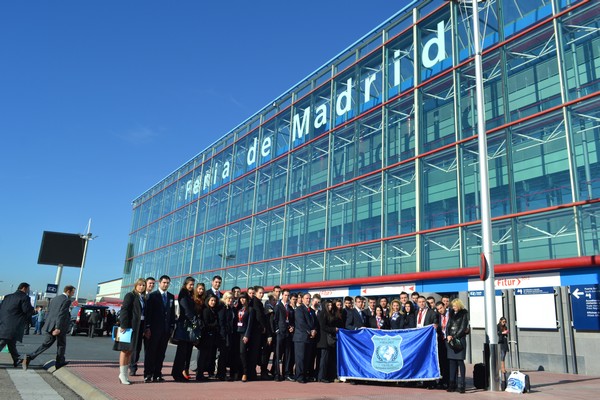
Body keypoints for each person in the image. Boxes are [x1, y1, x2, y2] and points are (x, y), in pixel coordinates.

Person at [24, 285, 75, 370]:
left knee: (46, 344)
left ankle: (30, 356)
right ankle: (59, 362)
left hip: (50, 325)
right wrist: (58, 327)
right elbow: (61, 314)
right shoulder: (66, 300)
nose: (73, 294)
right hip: (59, 326)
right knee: (61, 344)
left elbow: (49, 311)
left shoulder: (55, 299)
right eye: (73, 292)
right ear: (68, 291)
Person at [114, 278, 146, 385]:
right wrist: (123, 324)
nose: (141, 287)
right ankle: (122, 374)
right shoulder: (130, 295)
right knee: (125, 350)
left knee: (130, 350)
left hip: (138, 327)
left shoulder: (142, 298)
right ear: (136, 285)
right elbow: (125, 310)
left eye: (143, 285)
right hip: (128, 327)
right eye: (140, 285)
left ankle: (124, 374)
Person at [143, 275, 175, 383]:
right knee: (151, 353)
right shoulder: (152, 296)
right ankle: (148, 374)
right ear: (160, 283)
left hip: (165, 330)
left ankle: (157, 374)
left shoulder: (171, 296)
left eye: (168, 283)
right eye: (164, 282)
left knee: (161, 353)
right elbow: (148, 313)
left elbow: (172, 313)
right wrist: (147, 327)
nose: (166, 284)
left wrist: (171, 327)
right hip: (154, 330)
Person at [0, 282, 34, 367]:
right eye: (28, 289)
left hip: (3, 322)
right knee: (3, 341)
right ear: (24, 288)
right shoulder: (24, 297)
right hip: (14, 324)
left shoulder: (7, 296)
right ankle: (16, 359)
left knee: (11, 342)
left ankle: (16, 359)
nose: (28, 291)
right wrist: (32, 309)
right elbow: (26, 310)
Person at [129, 276, 155, 376]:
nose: (151, 285)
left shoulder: (153, 296)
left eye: (153, 284)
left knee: (148, 349)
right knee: (136, 348)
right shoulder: (137, 296)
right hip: (137, 325)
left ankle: (148, 370)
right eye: (149, 283)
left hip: (147, 326)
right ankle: (133, 367)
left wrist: (148, 326)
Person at [171, 276, 196, 382]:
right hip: (184, 326)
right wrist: (195, 320)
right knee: (181, 352)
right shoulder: (183, 294)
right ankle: (176, 374)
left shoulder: (190, 294)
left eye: (193, 284)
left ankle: (180, 373)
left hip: (188, 326)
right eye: (190, 284)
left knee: (185, 352)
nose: (192, 286)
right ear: (185, 284)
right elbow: (186, 310)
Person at [293, 292, 318, 384]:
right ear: (302, 299)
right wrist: (310, 331)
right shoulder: (299, 309)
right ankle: (299, 376)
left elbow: (315, 322)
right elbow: (301, 323)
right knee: (300, 358)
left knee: (307, 358)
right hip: (301, 337)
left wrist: (314, 330)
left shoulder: (311, 310)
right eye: (306, 298)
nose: (308, 300)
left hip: (309, 338)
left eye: (309, 298)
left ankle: (304, 375)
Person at [446, 299, 469, 393]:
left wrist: (454, 336)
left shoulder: (464, 314)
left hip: (459, 340)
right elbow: (448, 325)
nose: (453, 307)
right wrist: (448, 335)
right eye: (453, 306)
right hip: (451, 340)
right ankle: (452, 384)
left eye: (455, 305)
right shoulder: (451, 313)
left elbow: (463, 327)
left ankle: (462, 384)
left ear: (459, 305)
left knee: (460, 362)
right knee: (452, 362)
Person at [317, 299, 343, 383]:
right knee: (324, 359)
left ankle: (328, 376)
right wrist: (333, 329)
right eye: (328, 305)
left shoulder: (331, 314)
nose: (330, 307)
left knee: (328, 359)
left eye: (331, 305)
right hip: (324, 340)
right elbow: (323, 326)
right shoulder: (322, 314)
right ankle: (321, 377)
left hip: (329, 339)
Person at [274, 288, 295, 382]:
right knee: (278, 355)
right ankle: (277, 374)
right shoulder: (278, 306)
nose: (287, 297)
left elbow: (292, 320)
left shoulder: (290, 307)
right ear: (282, 295)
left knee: (287, 354)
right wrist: (277, 330)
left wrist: (292, 327)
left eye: (288, 295)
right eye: (285, 295)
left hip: (288, 334)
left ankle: (286, 374)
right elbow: (275, 320)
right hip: (280, 333)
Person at [197, 295, 219, 381]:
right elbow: (206, 324)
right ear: (208, 301)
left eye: (214, 301)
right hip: (205, 336)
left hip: (211, 336)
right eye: (211, 300)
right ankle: (199, 375)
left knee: (208, 356)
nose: (213, 302)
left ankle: (202, 374)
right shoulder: (206, 310)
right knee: (202, 356)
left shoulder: (213, 310)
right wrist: (215, 324)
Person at [217, 291, 236, 381]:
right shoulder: (222, 308)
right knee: (223, 355)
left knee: (226, 354)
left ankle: (222, 373)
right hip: (224, 335)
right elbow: (221, 322)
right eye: (229, 298)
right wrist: (223, 334)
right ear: (225, 299)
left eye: (232, 298)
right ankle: (221, 374)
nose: (230, 300)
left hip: (230, 334)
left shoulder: (230, 308)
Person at [236, 293, 254, 382]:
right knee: (237, 353)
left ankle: (245, 372)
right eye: (241, 298)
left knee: (242, 352)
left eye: (244, 298)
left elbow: (250, 324)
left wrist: (247, 335)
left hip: (244, 334)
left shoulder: (250, 309)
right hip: (237, 333)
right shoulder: (238, 309)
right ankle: (238, 372)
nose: (242, 300)